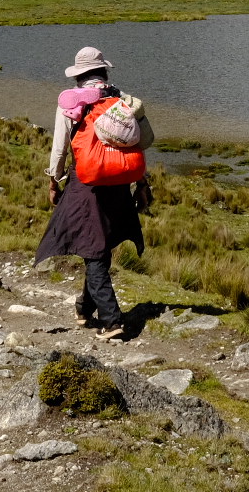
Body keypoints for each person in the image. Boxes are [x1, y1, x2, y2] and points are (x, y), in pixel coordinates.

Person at [34, 46, 154, 339]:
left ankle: (112, 320)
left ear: (79, 75)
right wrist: (142, 183)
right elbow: (137, 143)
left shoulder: (71, 104)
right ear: (104, 72)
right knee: (99, 245)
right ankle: (84, 309)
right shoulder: (120, 100)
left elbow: (59, 148)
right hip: (119, 183)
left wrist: (54, 181)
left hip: (87, 185)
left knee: (93, 251)